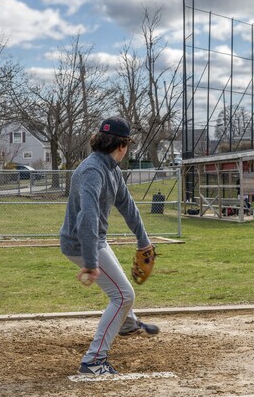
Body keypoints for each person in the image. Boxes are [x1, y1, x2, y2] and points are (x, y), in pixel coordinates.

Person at [60, 117, 159, 376]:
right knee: (123, 295)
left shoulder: (111, 170)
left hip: (94, 240)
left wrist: (144, 240)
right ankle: (94, 361)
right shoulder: (93, 171)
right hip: (82, 242)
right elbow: (87, 219)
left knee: (120, 289)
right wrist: (91, 263)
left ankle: (126, 323)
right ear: (122, 145)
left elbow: (128, 207)